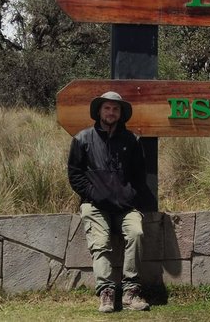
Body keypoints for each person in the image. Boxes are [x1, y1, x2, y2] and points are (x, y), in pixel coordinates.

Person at [67, 91, 154, 312]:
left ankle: (130, 292)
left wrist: (129, 196)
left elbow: (139, 175)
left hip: (126, 207)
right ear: (99, 111)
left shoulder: (131, 140)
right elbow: (75, 174)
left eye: (115, 109)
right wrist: (94, 194)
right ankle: (106, 292)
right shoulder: (82, 139)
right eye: (107, 108)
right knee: (100, 242)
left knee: (136, 233)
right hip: (95, 206)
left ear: (121, 113)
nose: (111, 112)